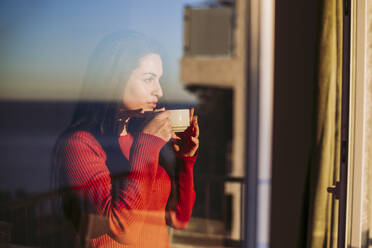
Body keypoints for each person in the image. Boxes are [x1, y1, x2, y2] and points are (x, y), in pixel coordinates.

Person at [52, 31, 199, 248]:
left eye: (159, 80)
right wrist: (148, 145)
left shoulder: (137, 141)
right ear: (114, 79)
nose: (159, 90)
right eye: (148, 79)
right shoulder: (81, 145)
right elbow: (123, 230)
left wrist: (185, 161)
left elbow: (180, 219)